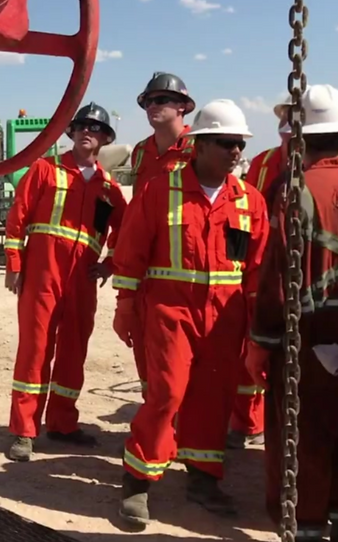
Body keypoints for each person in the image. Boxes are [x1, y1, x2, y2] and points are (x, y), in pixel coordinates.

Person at [111, 99, 269, 523]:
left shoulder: (248, 201)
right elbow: (132, 250)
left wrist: (257, 326)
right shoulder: (162, 190)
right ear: (198, 145)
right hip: (170, 310)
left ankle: (202, 476)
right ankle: (138, 478)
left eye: (239, 144)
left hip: (225, 318)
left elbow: (255, 269)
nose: (236, 152)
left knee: (213, 398)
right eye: (226, 143)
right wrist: (125, 305)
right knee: (166, 393)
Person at [3, 103, 127, 462]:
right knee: (35, 350)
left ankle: (62, 423)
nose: (88, 130)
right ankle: (24, 430)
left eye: (95, 127)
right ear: (71, 133)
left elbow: (126, 229)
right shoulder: (45, 170)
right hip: (43, 274)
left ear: (105, 138)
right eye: (82, 125)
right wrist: (15, 263)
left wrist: (110, 265)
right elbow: (19, 217)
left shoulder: (109, 189)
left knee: (74, 352)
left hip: (82, 281)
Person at [246, 84, 338, 542]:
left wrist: (260, 344)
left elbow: (278, 274)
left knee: (303, 435)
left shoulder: (294, 187)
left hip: (306, 338)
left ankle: (306, 524)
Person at [228, 98, 294, 450]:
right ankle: (248, 422)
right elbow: (242, 215)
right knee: (251, 343)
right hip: (259, 265)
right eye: (284, 116)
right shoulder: (263, 162)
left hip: (302, 268)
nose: (287, 123)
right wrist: (238, 263)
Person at [127, 72, 197, 394]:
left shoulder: (200, 146)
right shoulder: (140, 151)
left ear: (183, 106)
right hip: (147, 258)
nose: (152, 106)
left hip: (187, 261)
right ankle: (154, 415)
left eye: (161, 100)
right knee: (145, 339)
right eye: (148, 101)